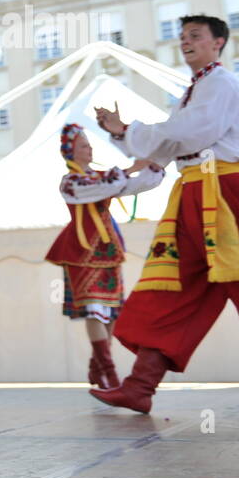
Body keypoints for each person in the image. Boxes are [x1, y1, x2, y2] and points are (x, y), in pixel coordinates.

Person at [92, 15, 239, 412]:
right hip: (195, 193)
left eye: (195, 36)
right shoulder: (195, 90)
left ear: (218, 42)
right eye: (182, 36)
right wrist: (122, 133)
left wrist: (130, 130)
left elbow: (189, 134)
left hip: (226, 193)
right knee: (173, 287)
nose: (186, 42)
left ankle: (139, 384)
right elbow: (169, 147)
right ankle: (140, 386)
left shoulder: (221, 83)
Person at [44, 124, 164, 389]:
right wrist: (131, 168)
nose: (89, 148)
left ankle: (97, 368)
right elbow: (101, 187)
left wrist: (153, 166)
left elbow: (130, 185)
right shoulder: (71, 182)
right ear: (70, 152)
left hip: (107, 250)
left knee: (110, 312)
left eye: (88, 144)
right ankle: (108, 371)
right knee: (93, 309)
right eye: (84, 145)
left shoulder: (104, 177)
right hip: (81, 250)